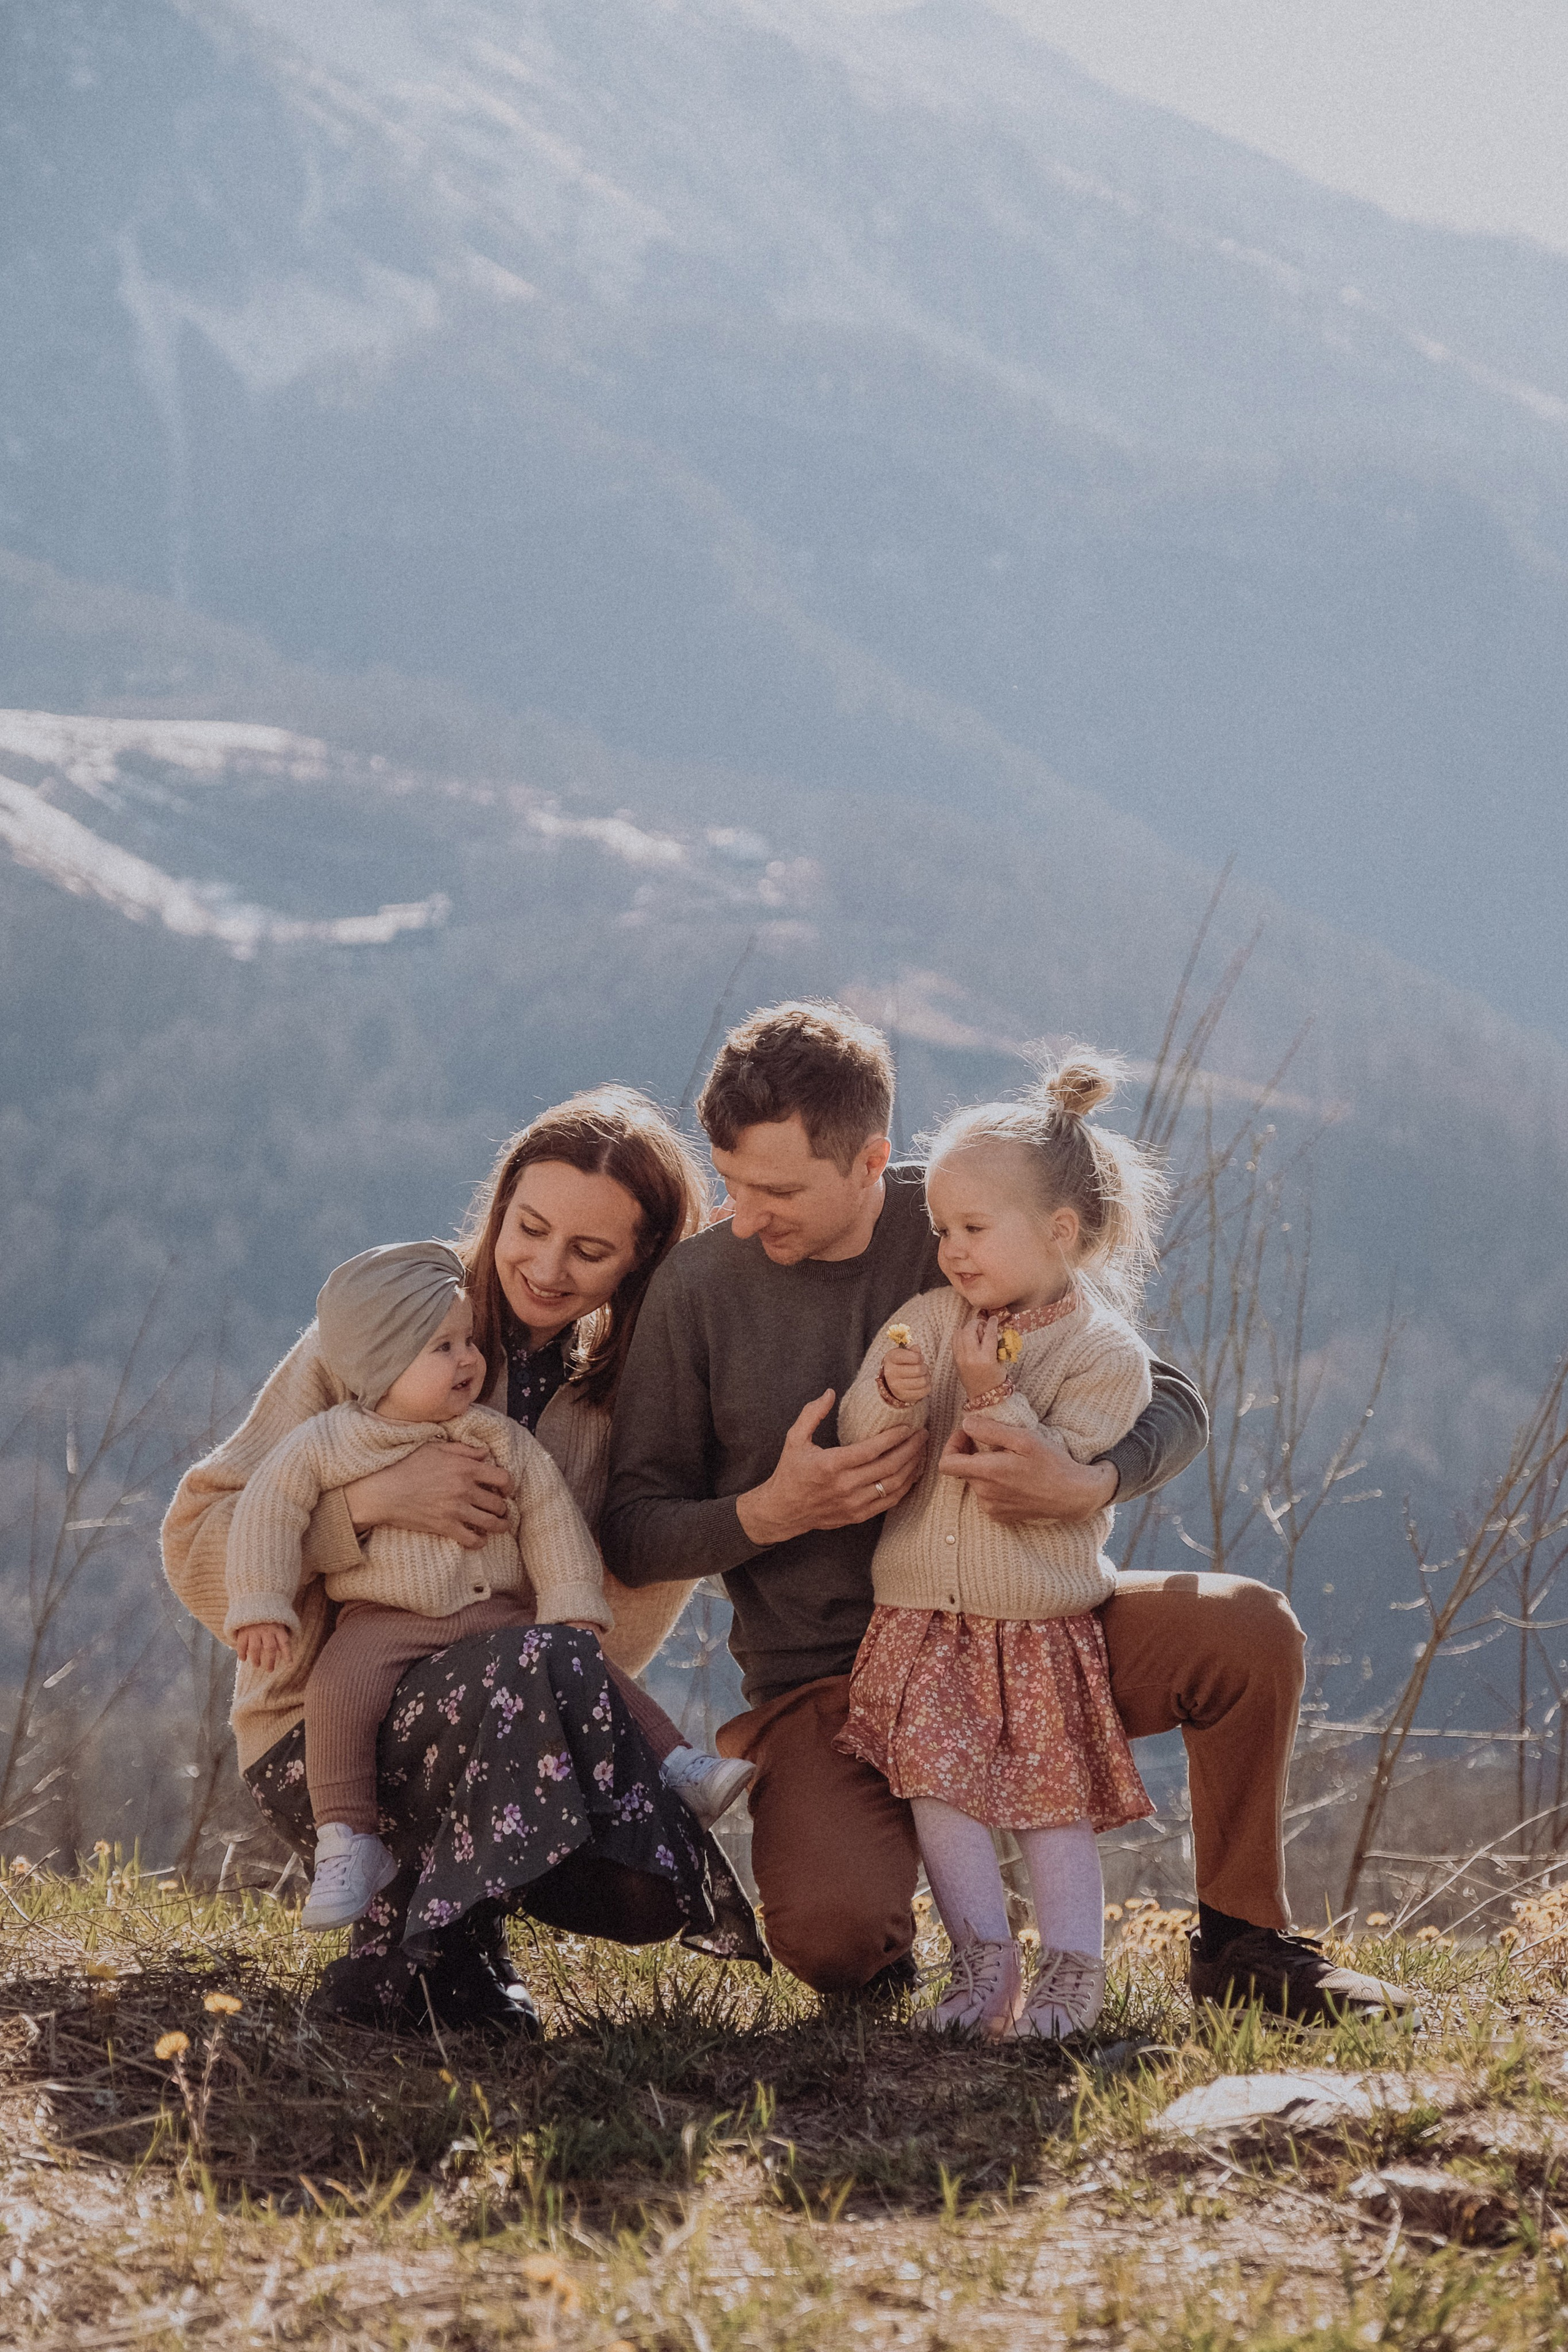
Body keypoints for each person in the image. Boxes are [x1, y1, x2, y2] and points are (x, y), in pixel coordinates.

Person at [603, 1001, 1413, 2024]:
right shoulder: (700, 1287)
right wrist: (772, 1510)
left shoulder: (964, 1217)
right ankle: (920, 1932)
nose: (743, 1213)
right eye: (729, 1180)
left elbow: (1169, 1397)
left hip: (1032, 1632)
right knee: (834, 1939)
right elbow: (633, 1529)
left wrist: (1092, 1483)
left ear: (869, 1164)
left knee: (1245, 1632)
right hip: (829, 1682)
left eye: (775, 1188)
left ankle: (1244, 1943)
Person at [163, 1087, 764, 2036]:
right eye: (530, 1228)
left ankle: (447, 1938)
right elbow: (199, 1540)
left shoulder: (627, 1398)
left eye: (591, 1251)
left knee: (650, 1890)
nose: (547, 1267)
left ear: (641, 1261)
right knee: (535, 1664)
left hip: (525, 1715)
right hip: (329, 1736)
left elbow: (624, 1616)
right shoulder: (382, 1329)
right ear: (499, 1207)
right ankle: (422, 1955)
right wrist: (361, 1512)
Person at [836, 1050, 1163, 2040]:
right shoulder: (929, 1322)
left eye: (975, 1230)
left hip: (1031, 1625)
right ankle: (981, 1966)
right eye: (943, 1231)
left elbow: (1047, 1476)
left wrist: (988, 1395)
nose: (953, 1253)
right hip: (923, 1618)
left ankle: (1072, 1973)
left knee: (1045, 1805)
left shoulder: (1105, 1355)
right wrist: (889, 1401)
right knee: (941, 1794)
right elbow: (860, 1435)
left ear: (1060, 1232)